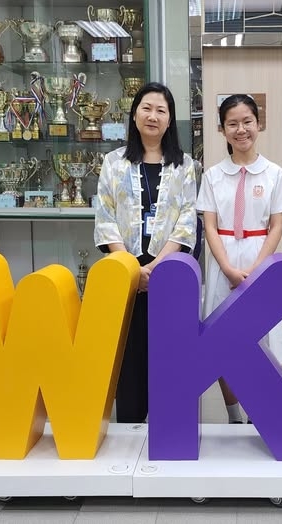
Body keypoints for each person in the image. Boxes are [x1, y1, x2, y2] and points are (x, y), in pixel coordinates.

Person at [94, 82, 197, 423]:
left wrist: (156, 267)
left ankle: (169, 425)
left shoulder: (184, 165)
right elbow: (105, 216)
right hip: (125, 269)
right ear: (135, 114)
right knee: (129, 350)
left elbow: (187, 220)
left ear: (170, 120)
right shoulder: (113, 162)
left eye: (161, 110)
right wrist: (131, 269)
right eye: (147, 108)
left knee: (169, 351)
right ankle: (130, 422)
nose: (153, 116)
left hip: (169, 268)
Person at [197, 94, 282, 425]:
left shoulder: (275, 174)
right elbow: (209, 226)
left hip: (259, 260)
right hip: (222, 260)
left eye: (247, 122)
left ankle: (259, 412)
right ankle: (234, 416)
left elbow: (276, 225)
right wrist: (227, 268)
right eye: (232, 124)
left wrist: (256, 270)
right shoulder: (212, 176)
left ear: (258, 124)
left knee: (260, 339)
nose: (241, 130)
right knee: (223, 341)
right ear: (222, 129)